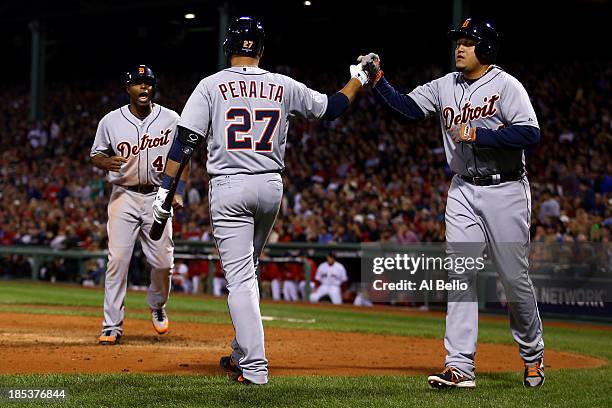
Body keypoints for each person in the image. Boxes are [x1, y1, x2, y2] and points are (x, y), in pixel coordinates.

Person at [152, 16, 368, 384]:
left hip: (230, 183)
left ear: (228, 48)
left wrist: (165, 189)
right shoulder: (283, 85)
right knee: (249, 269)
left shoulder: (211, 85)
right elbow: (332, 108)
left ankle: (254, 367)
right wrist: (359, 79)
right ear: (261, 50)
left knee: (238, 278)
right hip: (270, 186)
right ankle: (240, 352)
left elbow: (185, 141)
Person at [359, 18, 545, 388]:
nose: (460, 47)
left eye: (469, 41)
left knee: (513, 279)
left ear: (487, 48)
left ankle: (533, 355)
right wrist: (378, 80)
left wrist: (480, 133)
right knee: (460, 274)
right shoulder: (445, 85)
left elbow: (530, 133)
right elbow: (407, 109)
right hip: (462, 189)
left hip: (505, 190)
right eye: (458, 40)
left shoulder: (507, 85)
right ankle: (459, 365)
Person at [91, 65, 188, 345]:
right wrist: (104, 161)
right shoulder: (110, 120)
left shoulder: (171, 118)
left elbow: (184, 157)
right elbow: (95, 154)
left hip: (159, 194)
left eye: (148, 83)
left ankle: (157, 304)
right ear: (128, 89)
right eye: (137, 84)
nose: (143, 88)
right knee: (117, 261)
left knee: (163, 263)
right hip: (124, 195)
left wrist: (178, 191)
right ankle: (111, 325)